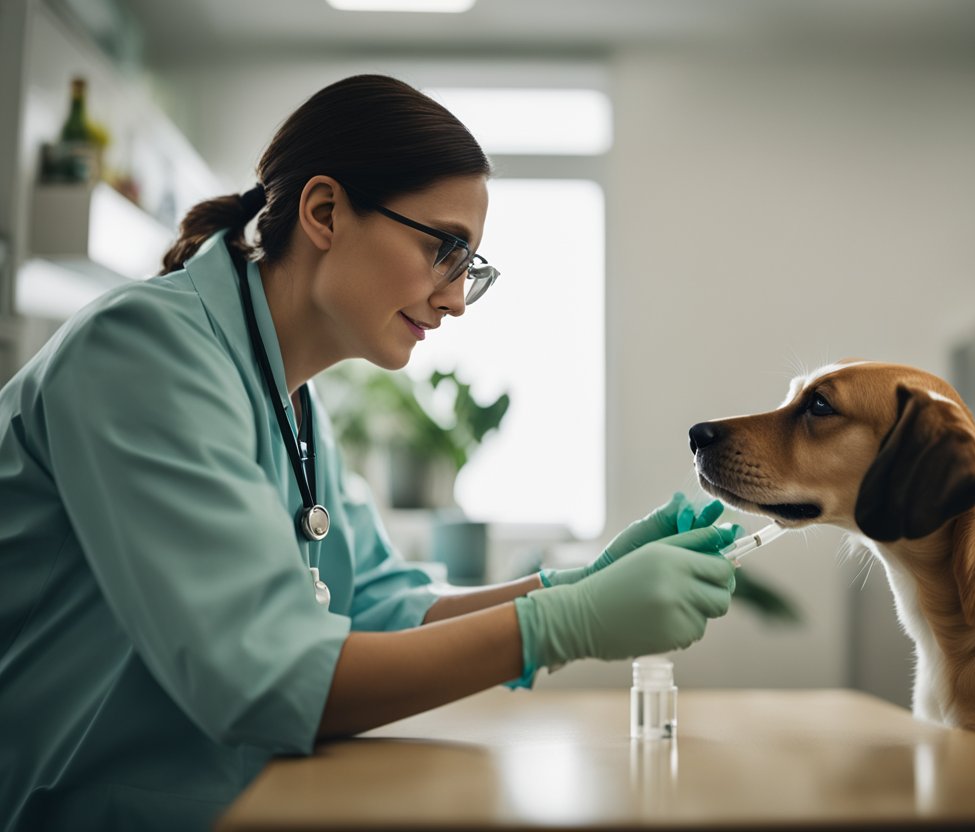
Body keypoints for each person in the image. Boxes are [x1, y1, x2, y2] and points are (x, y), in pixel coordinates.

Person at [0, 74, 739, 831]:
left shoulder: (290, 399)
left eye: (469, 268)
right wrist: (563, 622)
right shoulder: (144, 354)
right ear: (325, 212)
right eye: (445, 249)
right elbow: (270, 677)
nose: (455, 299)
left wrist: (576, 583)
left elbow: (380, 608)